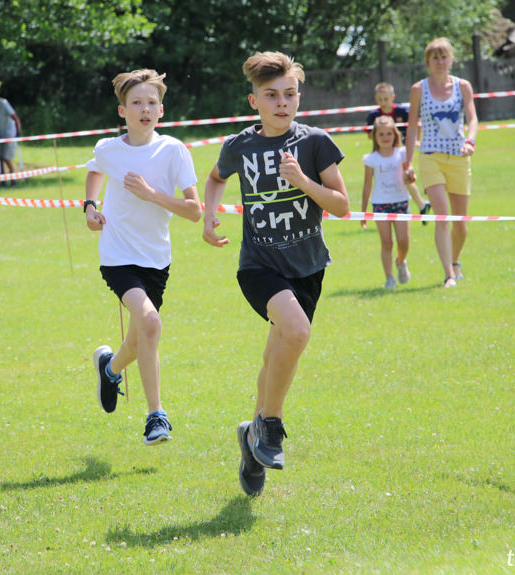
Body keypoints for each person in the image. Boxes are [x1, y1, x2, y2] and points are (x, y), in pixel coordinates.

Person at [203, 51, 349, 496]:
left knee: (276, 354)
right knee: (297, 333)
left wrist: (303, 181)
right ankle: (270, 425)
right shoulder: (239, 146)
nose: (282, 103)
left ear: (299, 97)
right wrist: (209, 216)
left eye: (289, 94)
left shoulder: (315, 142)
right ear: (254, 101)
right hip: (259, 265)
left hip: (307, 268)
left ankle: (251, 440)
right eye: (272, 95)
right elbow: (214, 178)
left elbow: (342, 206)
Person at [85, 69, 201, 445]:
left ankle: (110, 368)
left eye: (151, 102)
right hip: (117, 256)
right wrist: (89, 207)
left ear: (161, 110)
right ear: (123, 111)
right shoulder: (108, 148)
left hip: (156, 260)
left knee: (137, 342)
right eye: (136, 102)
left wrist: (152, 194)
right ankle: (157, 417)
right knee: (150, 324)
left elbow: (194, 210)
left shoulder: (174, 151)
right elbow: (95, 170)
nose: (144, 109)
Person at [404, 37, 478, 287]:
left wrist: (471, 141)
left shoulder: (463, 86)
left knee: (461, 223)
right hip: (429, 157)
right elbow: (412, 126)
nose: (440, 62)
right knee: (442, 216)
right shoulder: (418, 89)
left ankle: (455, 262)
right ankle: (448, 275)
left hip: (459, 157)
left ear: (451, 59)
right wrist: (408, 162)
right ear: (427, 62)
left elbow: (473, 118)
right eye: (434, 58)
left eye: (444, 56)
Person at [364, 82, 431, 223]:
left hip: (401, 152)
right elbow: (370, 134)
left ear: (392, 97)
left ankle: (419, 203)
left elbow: (415, 124)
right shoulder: (374, 115)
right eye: (380, 100)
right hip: (382, 152)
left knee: (406, 177)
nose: (383, 102)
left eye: (386, 99)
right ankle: (421, 205)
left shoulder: (402, 111)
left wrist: (417, 140)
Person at [362, 116, 413, 290]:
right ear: (375, 137)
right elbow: (367, 186)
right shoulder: (371, 159)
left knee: (403, 241)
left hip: (400, 201)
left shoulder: (402, 153)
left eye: (389, 133)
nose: (385, 137)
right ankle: (389, 278)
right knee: (386, 242)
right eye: (381, 134)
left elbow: (409, 176)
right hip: (380, 205)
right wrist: (363, 213)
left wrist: (411, 176)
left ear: (395, 134)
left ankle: (400, 261)